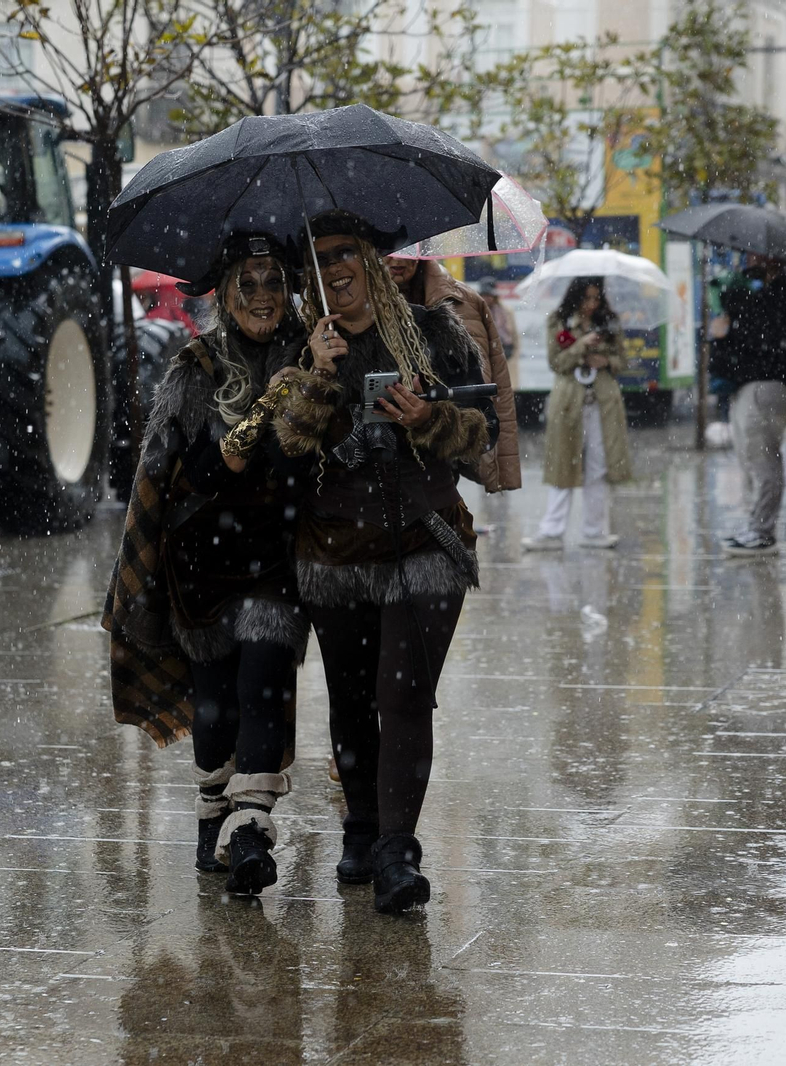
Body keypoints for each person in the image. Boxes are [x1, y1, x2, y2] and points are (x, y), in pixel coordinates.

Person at [271, 210, 496, 914]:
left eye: (347, 254)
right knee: (350, 695)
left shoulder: (434, 334)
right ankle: (361, 828)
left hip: (424, 541)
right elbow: (285, 453)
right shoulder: (306, 347)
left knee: (402, 695)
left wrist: (424, 419)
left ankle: (398, 850)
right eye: (321, 259)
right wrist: (314, 375)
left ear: (372, 260)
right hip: (334, 551)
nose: (335, 268)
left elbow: (477, 436)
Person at [102, 234, 309, 896]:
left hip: (276, 562)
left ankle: (249, 828)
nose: (261, 297)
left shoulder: (313, 356)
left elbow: (306, 465)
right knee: (216, 705)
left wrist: (314, 388)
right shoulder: (194, 368)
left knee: (264, 685)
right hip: (203, 567)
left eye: (273, 281)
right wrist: (264, 412)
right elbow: (193, 472)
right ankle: (211, 820)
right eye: (246, 284)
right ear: (222, 292)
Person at [385, 254, 521, 492]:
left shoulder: (463, 301)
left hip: (441, 460)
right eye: (387, 251)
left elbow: (494, 382)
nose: (397, 259)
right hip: (375, 470)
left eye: (407, 250)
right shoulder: (347, 305)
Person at [521, 277, 632, 551]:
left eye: (596, 298)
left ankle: (594, 530)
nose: (591, 304)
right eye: (586, 298)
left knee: (598, 465)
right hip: (570, 402)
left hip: (602, 403)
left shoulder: (609, 321)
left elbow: (623, 361)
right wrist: (581, 345)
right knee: (563, 463)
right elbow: (556, 363)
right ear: (575, 297)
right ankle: (551, 531)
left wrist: (605, 360)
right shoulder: (559, 321)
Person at [710, 254, 786, 557]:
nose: (751, 261)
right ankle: (757, 525)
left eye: (758, 256)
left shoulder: (784, 294)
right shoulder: (758, 291)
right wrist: (722, 333)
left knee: (762, 458)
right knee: (751, 457)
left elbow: (765, 337)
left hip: (767, 385)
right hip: (751, 385)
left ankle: (763, 531)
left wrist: (733, 321)